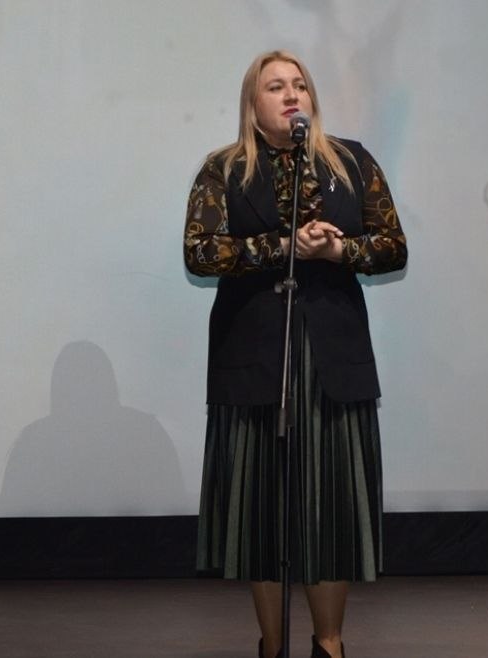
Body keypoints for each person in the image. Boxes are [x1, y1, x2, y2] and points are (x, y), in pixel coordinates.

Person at [184, 50, 407, 658]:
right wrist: (282, 246)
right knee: (260, 512)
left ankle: (329, 645)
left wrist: (338, 252)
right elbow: (200, 253)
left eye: (299, 85)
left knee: (331, 510)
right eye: (275, 86)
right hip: (255, 359)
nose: (291, 95)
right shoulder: (224, 169)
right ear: (252, 104)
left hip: (333, 359)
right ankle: (272, 645)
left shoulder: (351, 163)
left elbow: (392, 246)